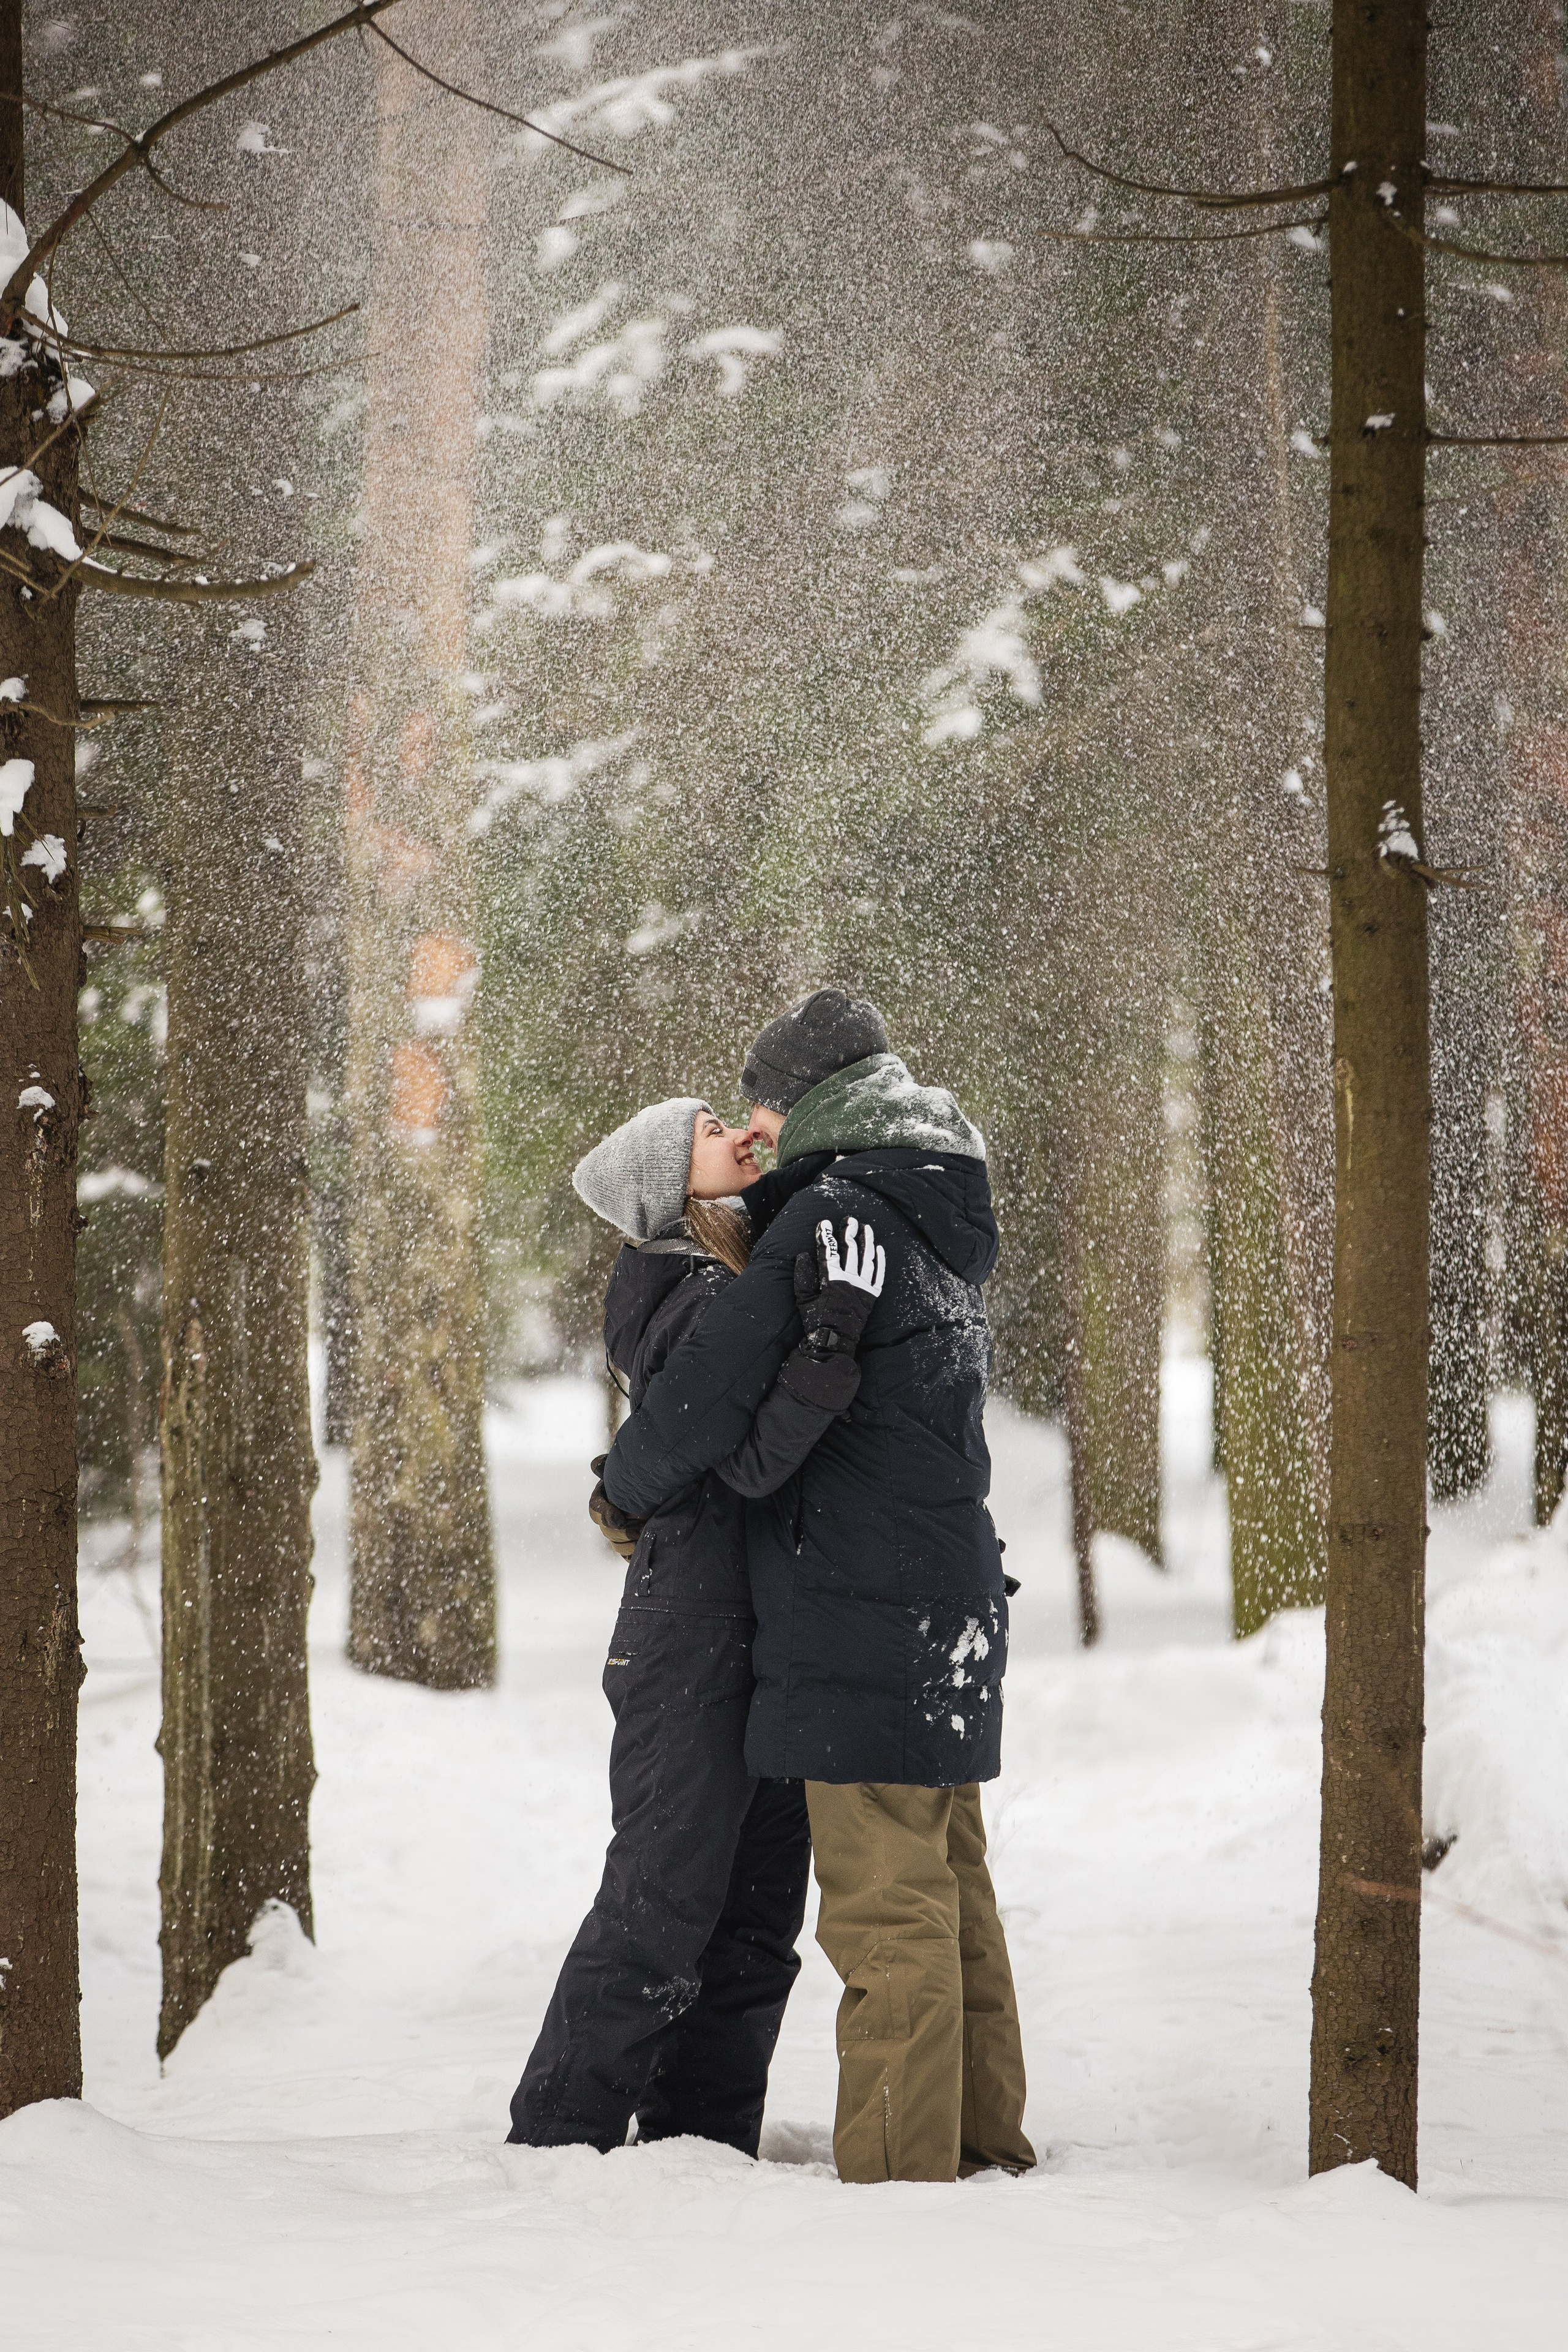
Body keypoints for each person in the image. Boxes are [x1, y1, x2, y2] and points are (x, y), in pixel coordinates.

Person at [602, 990, 1035, 2185]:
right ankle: (984, 2147)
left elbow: (704, 1404)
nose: (750, 1130)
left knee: (884, 1912)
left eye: (755, 1105)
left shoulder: (833, 1221)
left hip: (862, 1613)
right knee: (956, 1899)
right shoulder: (935, 1216)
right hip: (949, 1601)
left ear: (801, 1101)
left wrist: (621, 1492)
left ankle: (901, 2187)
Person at [508, 1095, 884, 2158]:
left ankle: (703, 2143)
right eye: (712, 1130)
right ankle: (556, 2139)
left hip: (763, 1625)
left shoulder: (737, 1266)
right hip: (689, 1630)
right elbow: (748, 1447)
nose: (739, 1135)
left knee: (759, 1913)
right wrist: (826, 1339)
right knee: (663, 1893)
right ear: (669, 1182)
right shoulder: (673, 1288)